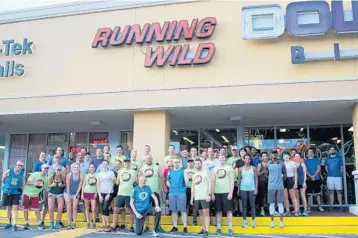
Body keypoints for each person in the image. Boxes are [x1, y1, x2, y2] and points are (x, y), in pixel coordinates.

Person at [139, 154, 163, 233]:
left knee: (157, 209)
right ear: (145, 159)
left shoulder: (156, 167)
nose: (149, 159)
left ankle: (158, 226)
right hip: (145, 193)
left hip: (155, 192)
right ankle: (147, 226)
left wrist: (160, 188)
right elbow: (138, 178)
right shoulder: (142, 167)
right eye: (147, 158)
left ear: (152, 159)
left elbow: (162, 177)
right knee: (145, 210)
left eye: (150, 158)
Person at [212, 155, 234, 236]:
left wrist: (231, 193)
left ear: (225, 159)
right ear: (218, 159)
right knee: (218, 211)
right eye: (220, 158)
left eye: (223, 157)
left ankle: (230, 229)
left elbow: (232, 181)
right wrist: (212, 193)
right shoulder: (215, 169)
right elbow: (213, 182)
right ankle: (218, 228)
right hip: (217, 192)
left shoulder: (229, 168)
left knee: (228, 211)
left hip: (226, 192)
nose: (221, 159)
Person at [113, 157, 136, 232]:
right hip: (120, 193)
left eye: (128, 162)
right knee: (116, 209)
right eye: (125, 162)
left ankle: (131, 226)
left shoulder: (133, 171)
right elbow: (118, 182)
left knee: (130, 210)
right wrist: (113, 179)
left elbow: (136, 182)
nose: (126, 163)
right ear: (124, 163)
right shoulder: (120, 171)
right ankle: (114, 226)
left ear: (130, 163)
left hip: (129, 194)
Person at [23, 164, 49, 230]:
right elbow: (28, 182)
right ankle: (26, 223)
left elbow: (44, 189)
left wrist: (42, 198)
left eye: (47, 168)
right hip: (27, 193)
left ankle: (39, 224)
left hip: (35, 195)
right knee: (26, 209)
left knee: (36, 210)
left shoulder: (46, 179)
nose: (46, 169)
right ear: (41, 168)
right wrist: (35, 183)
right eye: (45, 168)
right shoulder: (35, 174)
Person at [191, 158, 211, 238]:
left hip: (204, 196)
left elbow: (210, 183)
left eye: (199, 163)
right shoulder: (194, 175)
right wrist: (192, 198)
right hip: (197, 197)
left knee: (206, 212)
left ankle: (207, 231)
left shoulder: (206, 172)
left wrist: (209, 194)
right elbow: (193, 187)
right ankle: (203, 229)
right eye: (196, 164)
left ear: (201, 164)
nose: (197, 165)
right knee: (200, 213)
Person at [2, 160, 25, 231]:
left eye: (21, 166)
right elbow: (2, 179)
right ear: (16, 165)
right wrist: (5, 179)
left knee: (15, 208)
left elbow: (23, 184)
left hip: (16, 193)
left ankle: (14, 224)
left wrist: (23, 193)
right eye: (18, 165)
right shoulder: (9, 171)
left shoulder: (22, 174)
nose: (19, 167)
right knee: (8, 208)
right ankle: (9, 223)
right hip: (8, 192)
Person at [167, 158, 188, 235]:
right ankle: (175, 227)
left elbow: (187, 182)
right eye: (174, 162)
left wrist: (183, 189)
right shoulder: (170, 172)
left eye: (177, 162)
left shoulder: (183, 171)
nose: (176, 163)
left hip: (181, 193)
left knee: (182, 210)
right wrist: (172, 187)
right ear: (172, 163)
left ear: (179, 163)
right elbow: (167, 181)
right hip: (172, 193)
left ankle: (185, 227)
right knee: (174, 210)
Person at [237, 154, 258, 228]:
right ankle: (244, 221)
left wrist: (256, 189)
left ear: (250, 160)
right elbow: (239, 179)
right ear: (244, 159)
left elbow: (256, 179)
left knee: (252, 205)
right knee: (244, 205)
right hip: (243, 188)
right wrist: (238, 189)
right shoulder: (240, 169)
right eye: (246, 158)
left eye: (249, 158)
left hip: (252, 188)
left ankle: (253, 221)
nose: (247, 160)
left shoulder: (254, 168)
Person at [267, 150, 287, 228]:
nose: (274, 154)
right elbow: (265, 172)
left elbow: (285, 173)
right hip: (271, 186)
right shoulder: (268, 163)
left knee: (280, 203)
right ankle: (272, 222)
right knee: (271, 203)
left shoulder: (281, 163)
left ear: (277, 154)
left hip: (280, 186)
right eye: (273, 153)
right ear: (271, 154)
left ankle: (281, 222)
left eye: (275, 153)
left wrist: (282, 180)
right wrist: (270, 179)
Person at [96, 160, 116, 232]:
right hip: (101, 193)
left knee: (105, 208)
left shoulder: (111, 173)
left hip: (109, 193)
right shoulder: (99, 174)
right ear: (101, 165)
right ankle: (104, 225)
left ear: (108, 165)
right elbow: (98, 185)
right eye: (103, 164)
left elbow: (113, 184)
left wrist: (108, 194)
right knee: (102, 209)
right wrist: (100, 195)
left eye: (106, 164)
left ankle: (108, 225)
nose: (104, 165)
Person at [305, 147, 324, 212]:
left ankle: (320, 206)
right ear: (307, 154)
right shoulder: (305, 161)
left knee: (318, 194)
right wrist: (310, 176)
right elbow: (306, 170)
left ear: (313, 153)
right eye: (309, 152)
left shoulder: (317, 160)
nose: (310, 153)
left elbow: (319, 168)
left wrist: (313, 176)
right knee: (309, 194)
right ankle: (309, 208)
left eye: (311, 152)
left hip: (317, 179)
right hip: (309, 179)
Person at [324, 147, 344, 211]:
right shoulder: (327, 158)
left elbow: (342, 167)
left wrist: (338, 174)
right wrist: (330, 173)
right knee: (331, 191)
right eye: (331, 149)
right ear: (329, 151)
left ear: (335, 150)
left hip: (338, 177)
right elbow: (326, 168)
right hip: (330, 177)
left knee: (339, 191)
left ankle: (341, 206)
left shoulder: (339, 158)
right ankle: (331, 206)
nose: (332, 150)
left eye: (333, 149)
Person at [65, 163, 84, 229]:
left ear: (79, 169)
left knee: (75, 207)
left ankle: (74, 223)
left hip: (75, 193)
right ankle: (69, 223)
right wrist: (68, 195)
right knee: (69, 206)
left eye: (77, 167)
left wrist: (77, 194)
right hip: (68, 192)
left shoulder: (81, 176)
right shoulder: (69, 175)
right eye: (75, 167)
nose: (76, 168)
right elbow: (68, 185)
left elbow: (80, 186)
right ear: (72, 168)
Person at [48, 164, 66, 229]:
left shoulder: (63, 177)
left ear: (61, 171)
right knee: (50, 208)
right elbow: (47, 185)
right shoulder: (51, 177)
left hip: (60, 193)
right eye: (57, 170)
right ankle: (51, 223)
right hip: (52, 193)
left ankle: (57, 223)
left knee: (60, 208)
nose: (58, 171)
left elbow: (65, 185)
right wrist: (52, 185)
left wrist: (62, 185)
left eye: (59, 170)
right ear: (55, 171)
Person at [283, 151, 299, 216]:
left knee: (293, 196)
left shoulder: (293, 163)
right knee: (285, 197)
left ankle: (296, 211)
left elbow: (295, 173)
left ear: (289, 156)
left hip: (290, 180)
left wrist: (295, 183)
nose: (286, 156)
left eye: (287, 155)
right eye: (284, 155)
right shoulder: (282, 163)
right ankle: (287, 211)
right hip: (283, 180)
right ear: (283, 157)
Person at [82, 163, 98, 229]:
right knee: (87, 208)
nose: (91, 168)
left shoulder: (97, 175)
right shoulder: (86, 175)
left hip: (93, 193)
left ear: (94, 168)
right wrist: (82, 194)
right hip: (86, 192)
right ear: (89, 168)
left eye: (93, 167)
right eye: (90, 167)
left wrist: (96, 193)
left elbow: (98, 185)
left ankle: (94, 222)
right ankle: (88, 222)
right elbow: (83, 185)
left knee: (93, 209)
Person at [184, 158, 197, 224]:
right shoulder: (185, 170)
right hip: (187, 188)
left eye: (191, 162)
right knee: (186, 204)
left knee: (194, 205)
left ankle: (194, 220)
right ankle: (185, 221)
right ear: (187, 163)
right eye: (189, 162)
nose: (190, 163)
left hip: (195, 188)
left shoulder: (196, 170)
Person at [257, 152, 269, 216]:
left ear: (267, 157)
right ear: (261, 158)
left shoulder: (270, 163)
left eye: (265, 156)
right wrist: (263, 171)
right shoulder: (259, 164)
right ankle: (262, 210)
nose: (264, 157)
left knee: (268, 196)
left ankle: (268, 208)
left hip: (269, 182)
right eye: (263, 156)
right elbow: (257, 174)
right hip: (261, 183)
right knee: (262, 196)